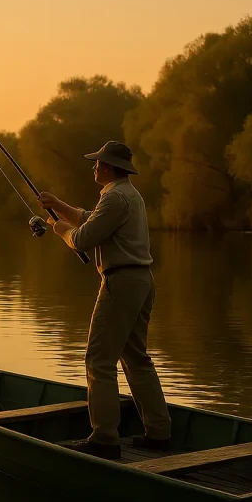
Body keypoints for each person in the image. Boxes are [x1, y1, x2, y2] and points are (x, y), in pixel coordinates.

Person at [37, 140, 171, 460]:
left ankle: (105, 438)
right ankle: (159, 432)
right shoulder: (128, 195)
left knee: (99, 360)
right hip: (141, 281)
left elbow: (82, 238)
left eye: (98, 162)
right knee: (137, 358)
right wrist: (58, 204)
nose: (94, 166)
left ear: (109, 167)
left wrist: (58, 228)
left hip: (120, 284)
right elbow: (89, 217)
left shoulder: (113, 198)